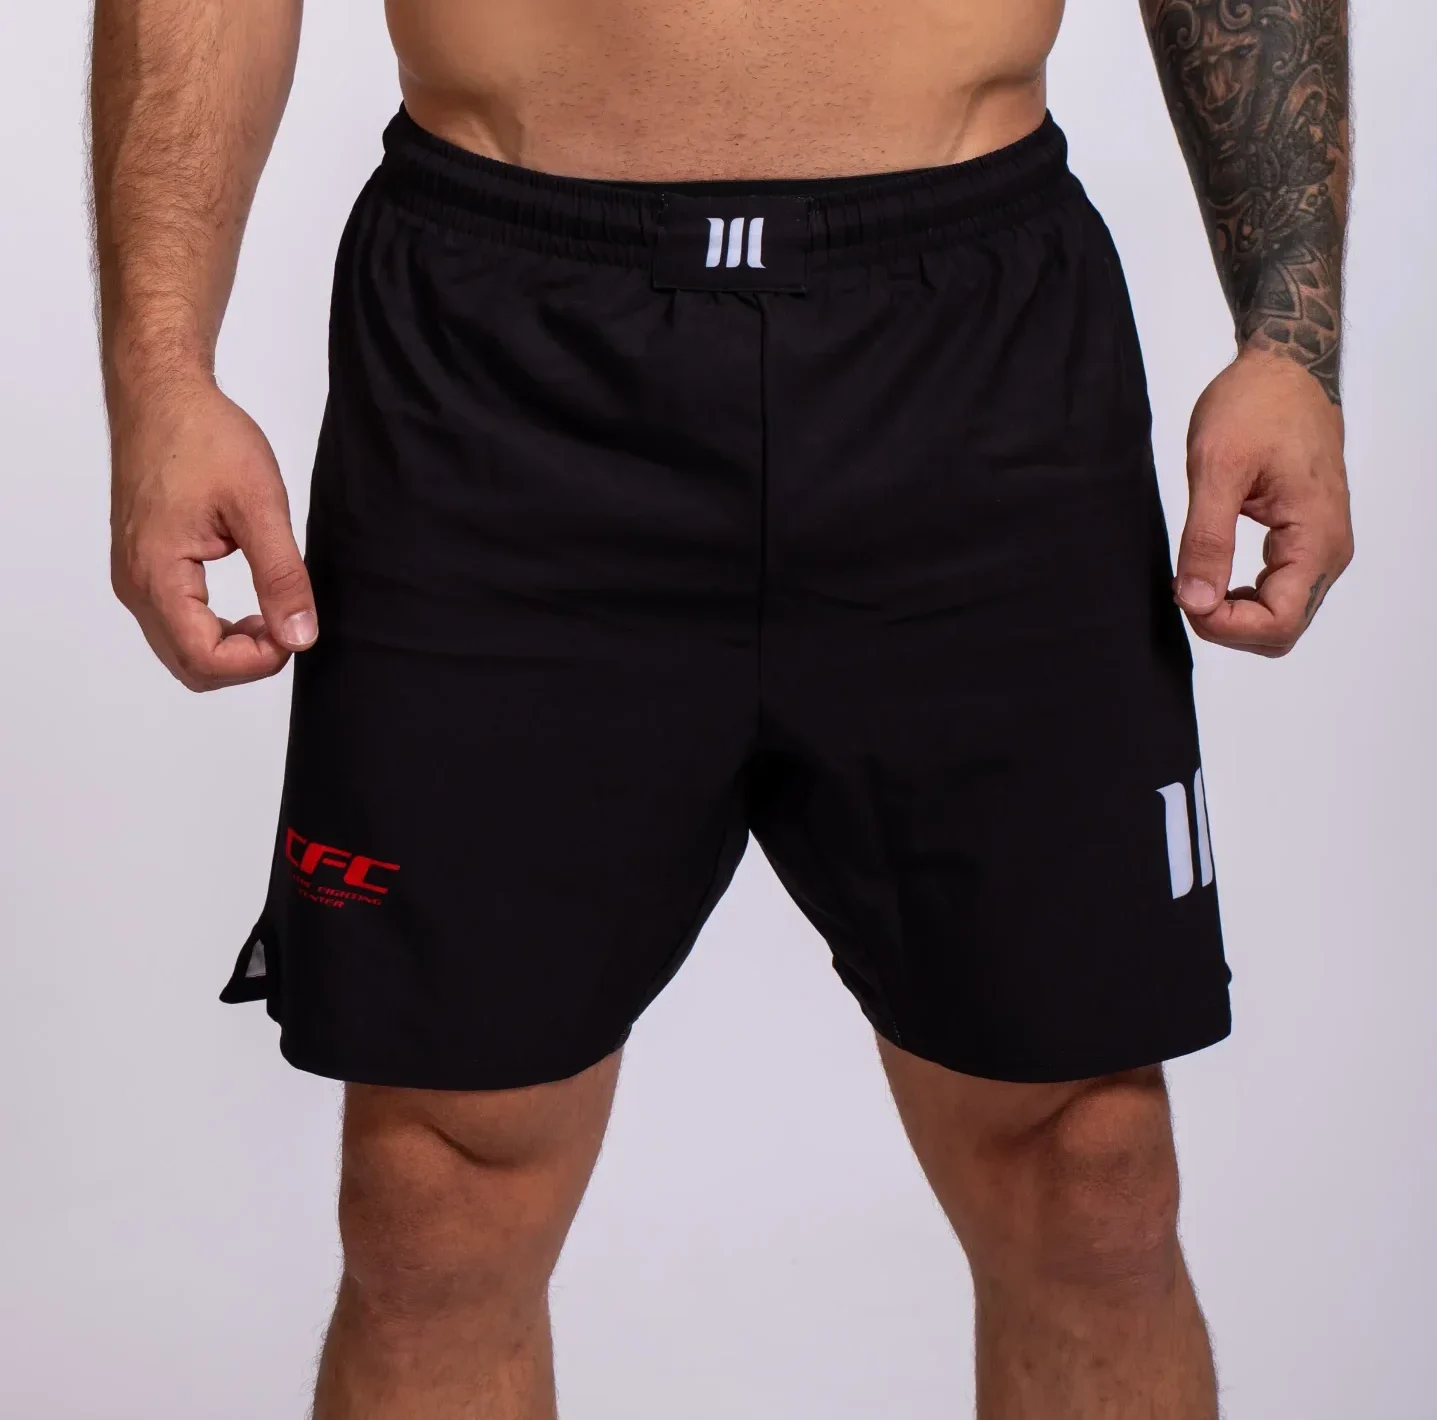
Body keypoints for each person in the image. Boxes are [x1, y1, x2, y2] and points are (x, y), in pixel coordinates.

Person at [91, 0, 1353, 1414]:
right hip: (503, 360)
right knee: (431, 1207)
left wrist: (1292, 340)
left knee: (1089, 1173)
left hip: (973, 349)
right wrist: (159, 374)